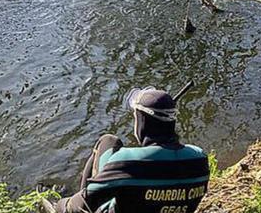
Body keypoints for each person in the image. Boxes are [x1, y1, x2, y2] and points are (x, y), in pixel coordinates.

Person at [46, 88, 210, 213]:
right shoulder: (199, 157)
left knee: (108, 141)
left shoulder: (127, 162)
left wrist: (61, 205)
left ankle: (79, 193)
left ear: (142, 122)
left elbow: (83, 205)